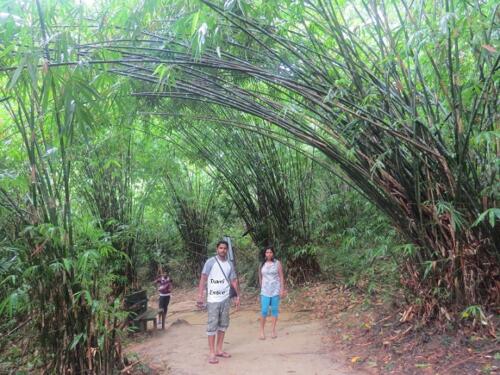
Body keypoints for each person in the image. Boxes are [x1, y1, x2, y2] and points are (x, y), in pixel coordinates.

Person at [197, 240, 240, 364]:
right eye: (221, 248)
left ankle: (219, 350)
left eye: (225, 248)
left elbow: (234, 280)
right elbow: (203, 278)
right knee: (212, 326)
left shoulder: (229, 264)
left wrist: (237, 296)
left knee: (223, 325)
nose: (223, 250)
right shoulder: (210, 262)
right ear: (217, 249)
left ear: (227, 250)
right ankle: (211, 353)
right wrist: (200, 295)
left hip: (225, 299)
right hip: (213, 300)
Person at [258, 246, 286, 340]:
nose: (269, 254)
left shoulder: (277, 263)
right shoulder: (262, 264)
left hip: (275, 290)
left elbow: (281, 276)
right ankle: (261, 331)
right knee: (264, 311)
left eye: (270, 252)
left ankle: (273, 330)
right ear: (265, 254)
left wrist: (282, 289)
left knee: (274, 310)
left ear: (273, 253)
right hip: (265, 291)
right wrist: (261, 287)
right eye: (267, 252)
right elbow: (260, 277)